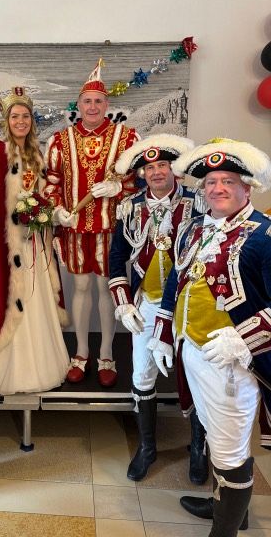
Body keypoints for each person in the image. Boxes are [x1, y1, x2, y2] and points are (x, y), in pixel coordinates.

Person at [149, 138, 271, 537]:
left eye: (228, 181)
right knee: (215, 435)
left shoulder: (264, 235)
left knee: (230, 448)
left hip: (233, 362)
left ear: (247, 187)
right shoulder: (195, 229)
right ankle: (228, 507)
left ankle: (226, 529)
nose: (217, 188)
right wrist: (163, 333)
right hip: (193, 350)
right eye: (211, 182)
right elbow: (176, 280)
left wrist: (243, 338)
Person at [109, 134, 208, 482]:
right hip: (147, 304)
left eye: (162, 165)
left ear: (174, 169)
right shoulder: (129, 207)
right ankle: (147, 447)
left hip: (189, 305)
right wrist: (123, 303)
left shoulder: (198, 203)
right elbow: (117, 257)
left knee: (196, 376)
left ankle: (199, 449)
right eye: (149, 167)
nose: (156, 172)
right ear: (142, 173)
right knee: (141, 375)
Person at [44, 59, 139, 386]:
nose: (93, 106)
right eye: (87, 101)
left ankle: (107, 353)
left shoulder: (127, 138)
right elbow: (51, 183)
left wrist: (118, 188)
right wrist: (57, 210)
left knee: (106, 288)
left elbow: (139, 181)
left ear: (106, 104)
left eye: (98, 101)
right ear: (79, 105)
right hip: (75, 228)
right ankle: (82, 352)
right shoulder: (60, 140)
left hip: (111, 229)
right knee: (81, 287)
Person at [0, 86, 69, 394]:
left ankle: (40, 366)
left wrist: (44, 214)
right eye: (15, 116)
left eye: (25, 116)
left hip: (35, 242)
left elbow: (45, 195)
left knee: (36, 296)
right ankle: (7, 368)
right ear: (7, 120)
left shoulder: (37, 154)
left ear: (31, 120)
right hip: (8, 243)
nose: (21, 121)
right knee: (10, 294)